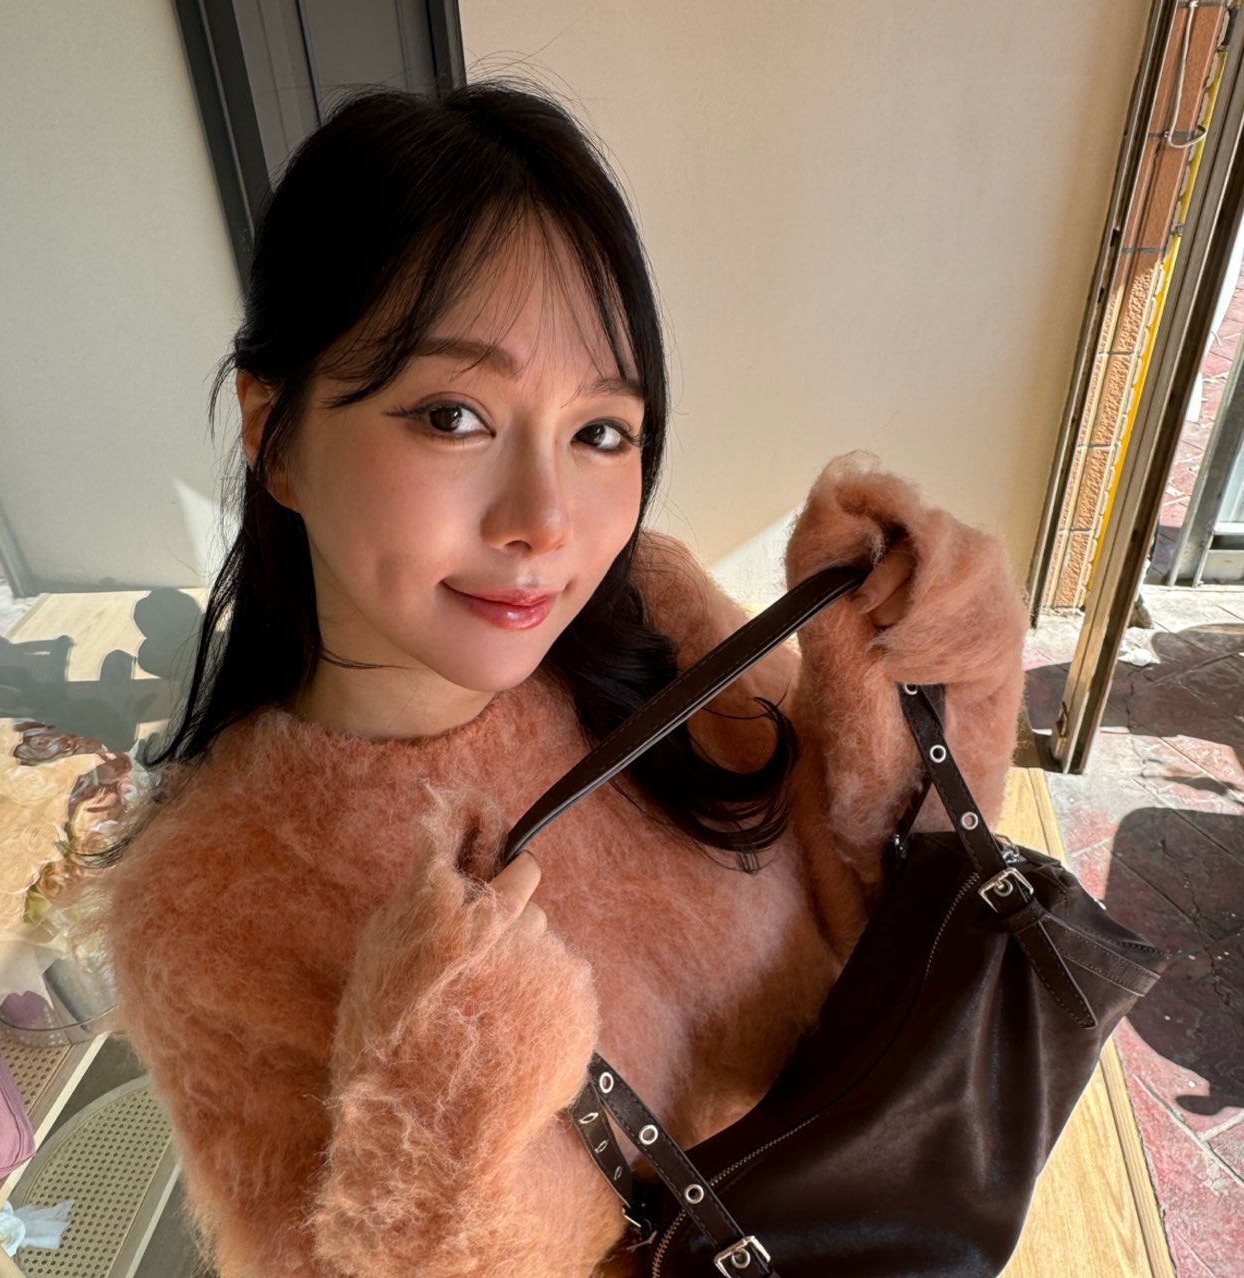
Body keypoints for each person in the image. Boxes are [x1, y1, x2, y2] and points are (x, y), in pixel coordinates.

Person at [90, 83, 1027, 1277]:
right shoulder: (203, 908)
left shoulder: (657, 614)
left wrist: (914, 671)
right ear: (275, 436)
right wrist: (441, 1103)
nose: (544, 521)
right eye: (453, 415)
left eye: (600, 432)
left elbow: (891, 927)